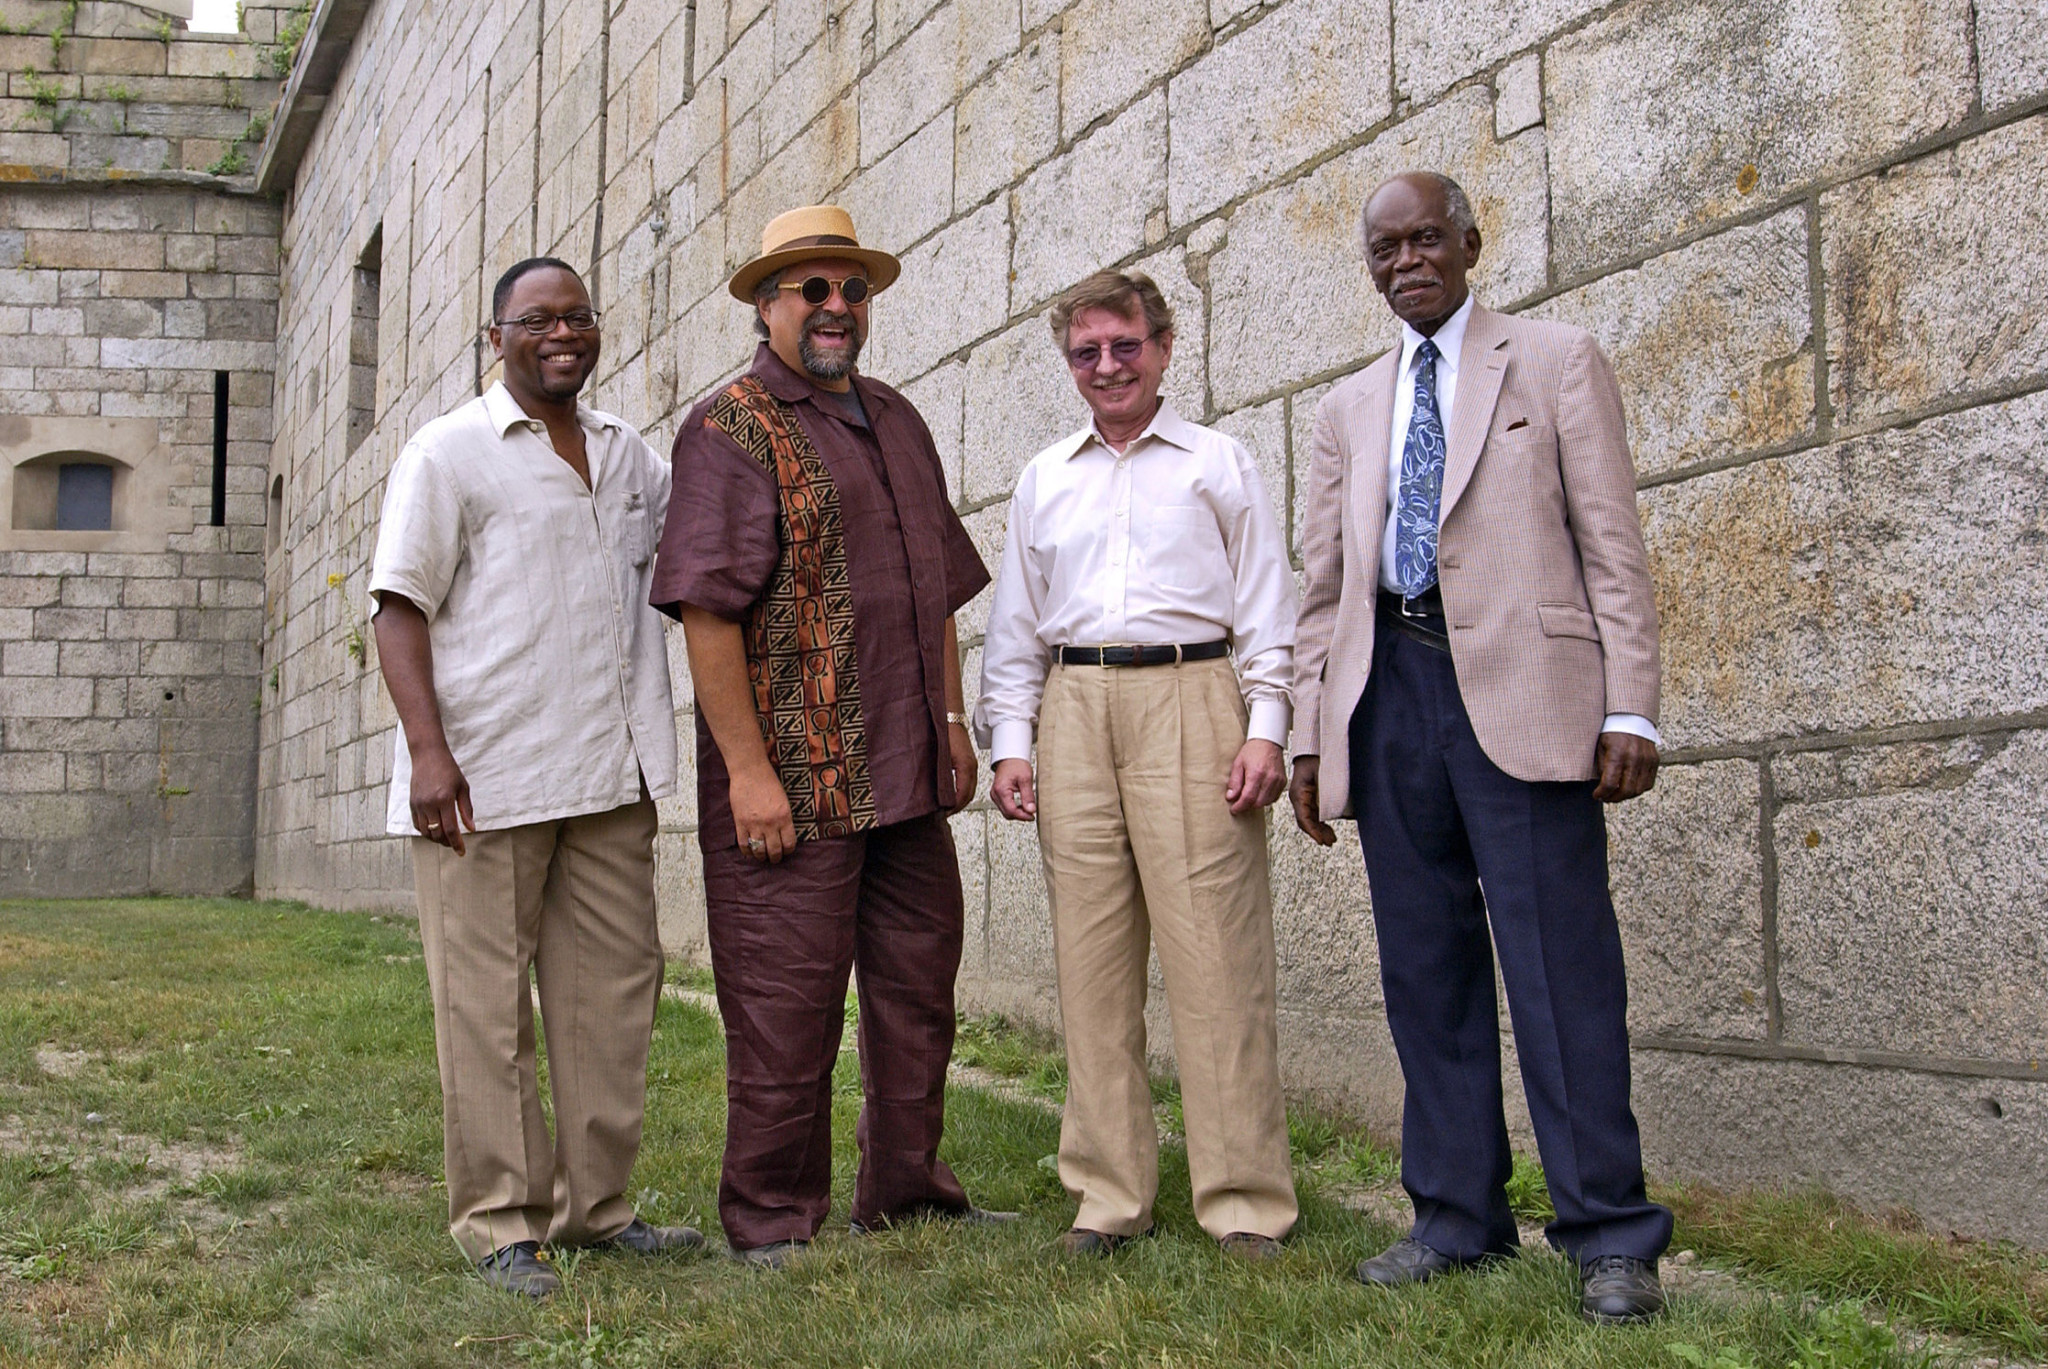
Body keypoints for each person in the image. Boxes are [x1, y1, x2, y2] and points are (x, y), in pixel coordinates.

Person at [1288, 172, 1671, 1323]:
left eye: (1424, 239)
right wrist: (1310, 730)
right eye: (1383, 248)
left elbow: (1610, 544)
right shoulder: (1343, 407)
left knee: (1559, 971)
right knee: (1425, 972)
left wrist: (1630, 704)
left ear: (1466, 241)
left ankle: (1605, 1231)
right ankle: (1454, 1216)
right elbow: (1320, 589)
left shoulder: (1553, 360)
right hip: (1387, 694)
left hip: (1523, 692)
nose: (1406, 260)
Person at [650, 205, 1011, 1269]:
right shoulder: (731, 426)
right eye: (811, 289)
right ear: (767, 305)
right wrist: (749, 773)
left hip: (904, 766)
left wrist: (951, 719)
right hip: (794, 780)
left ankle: (905, 1187)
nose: (836, 307)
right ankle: (768, 1211)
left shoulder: (896, 418)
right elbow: (707, 613)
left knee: (916, 986)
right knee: (782, 1004)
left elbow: (938, 588)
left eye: (851, 289)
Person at [369, 257, 700, 1299]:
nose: (561, 333)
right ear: (497, 336)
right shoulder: (450, 453)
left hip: (609, 778)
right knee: (483, 1008)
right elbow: (397, 607)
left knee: (611, 999)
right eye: (536, 319)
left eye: (577, 317)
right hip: (482, 778)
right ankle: (500, 1221)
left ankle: (596, 1209)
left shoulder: (629, 455)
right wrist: (427, 751)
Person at [977, 270, 1300, 1260]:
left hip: (1192, 696)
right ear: (1067, 363)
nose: (1107, 366)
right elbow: (1016, 625)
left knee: (1216, 956)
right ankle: (1108, 1191)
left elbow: (1266, 604)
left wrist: (1265, 724)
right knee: (1091, 960)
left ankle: (1242, 1196)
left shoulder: (1217, 462)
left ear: (1162, 347)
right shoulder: (1046, 476)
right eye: (1086, 352)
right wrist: (1013, 742)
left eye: (1124, 346)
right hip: (1074, 708)